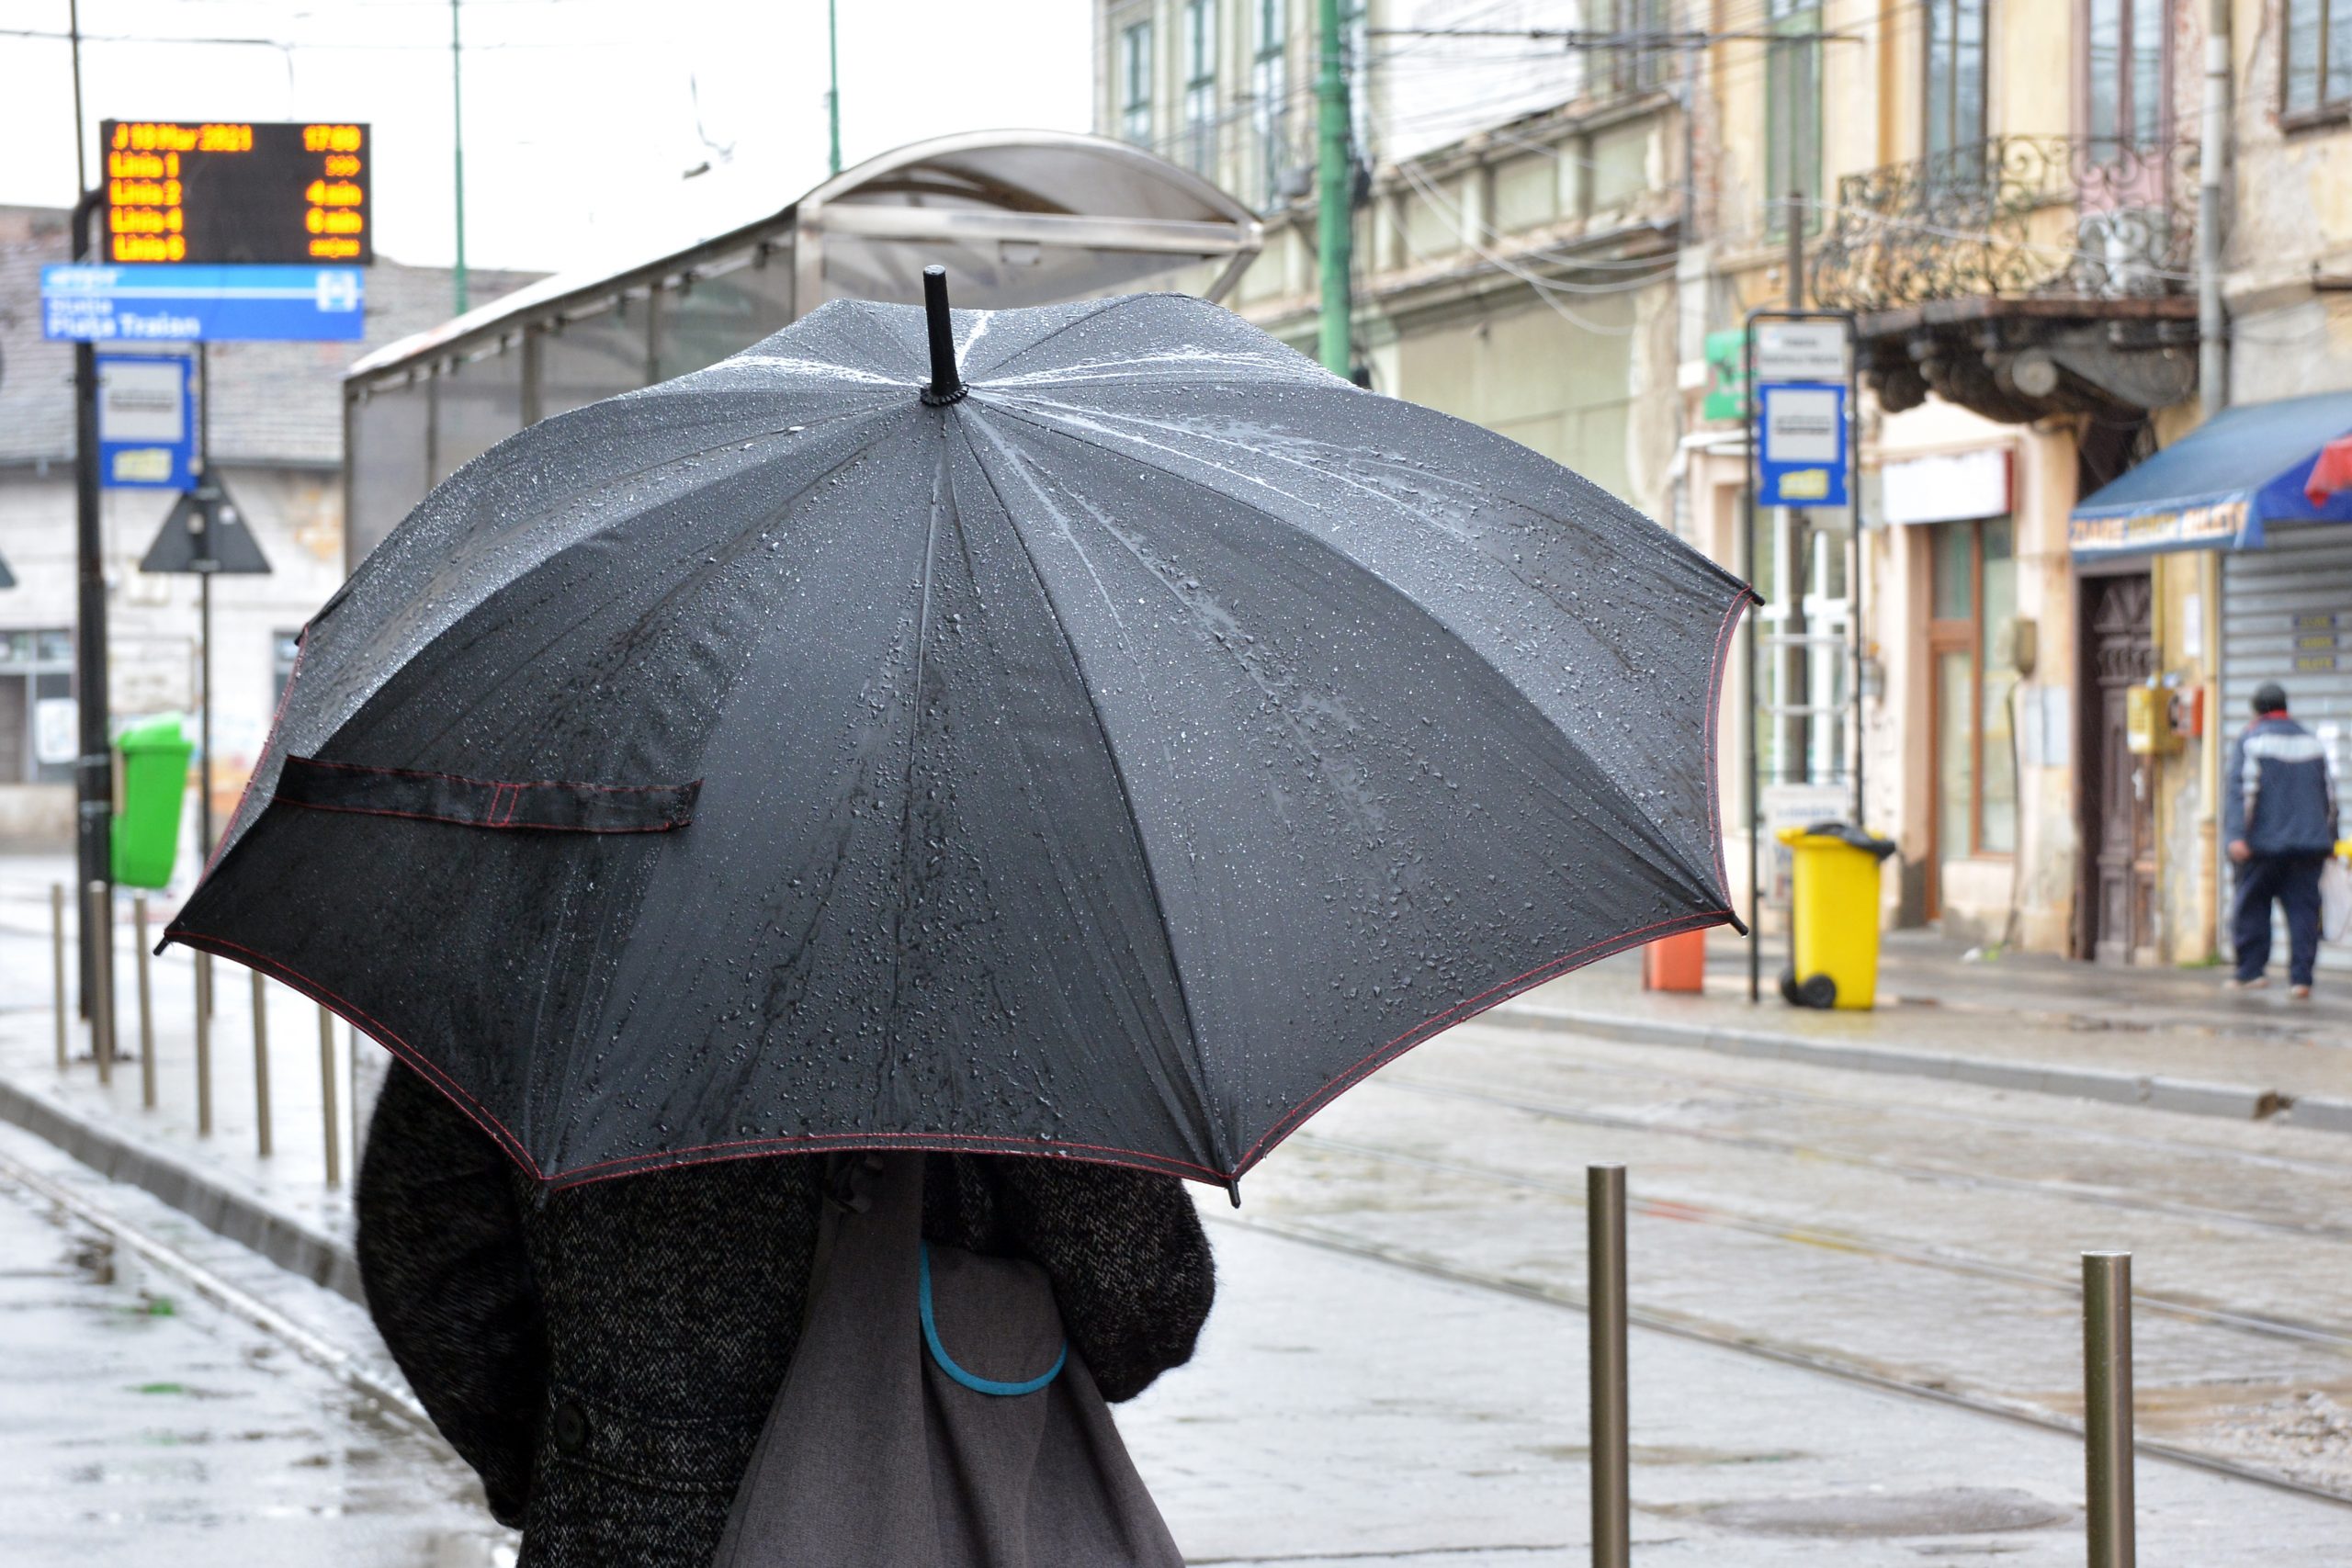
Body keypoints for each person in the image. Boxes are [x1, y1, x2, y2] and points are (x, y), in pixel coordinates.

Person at [355, 1063, 1216, 1567]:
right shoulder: (989, 919)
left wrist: (583, 1464)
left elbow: (425, 1248)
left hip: (622, 1533)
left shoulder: (556, 882)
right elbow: (1145, 1308)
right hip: (951, 1518)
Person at [2222, 682, 2340, 999]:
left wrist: (2237, 836)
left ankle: (2251, 973)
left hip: (2262, 846)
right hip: (2308, 847)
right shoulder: (2312, 741)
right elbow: (2329, 796)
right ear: (2285, 706)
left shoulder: (2252, 740)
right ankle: (2301, 980)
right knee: (2304, 914)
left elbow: (2243, 791)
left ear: (2256, 710)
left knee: (2252, 909)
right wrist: (2331, 839)